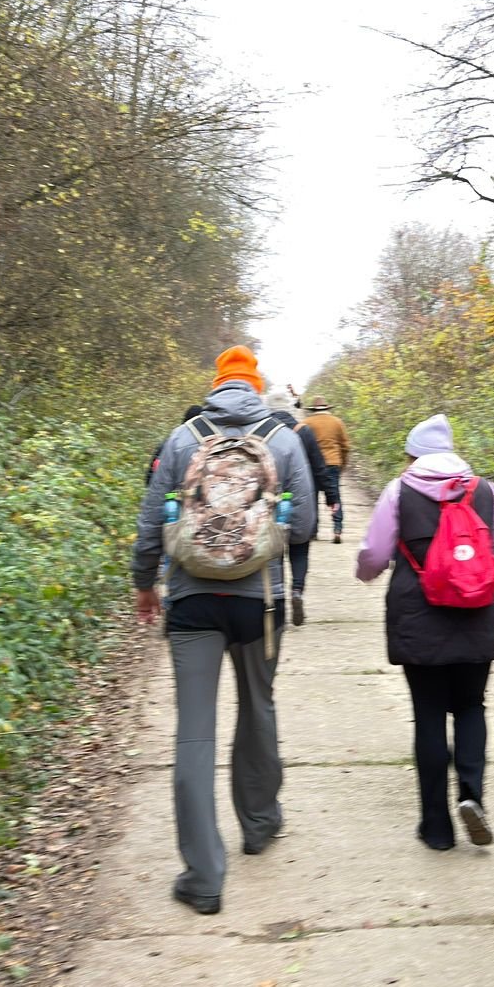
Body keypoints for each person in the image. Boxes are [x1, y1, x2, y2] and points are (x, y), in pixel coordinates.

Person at [133, 346, 316, 915]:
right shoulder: (282, 439)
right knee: (257, 707)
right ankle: (259, 823)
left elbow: (150, 520)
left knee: (195, 732)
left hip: (192, 601)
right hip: (260, 602)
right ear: (255, 387)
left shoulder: (183, 437)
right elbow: (303, 525)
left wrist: (144, 582)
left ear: (215, 385)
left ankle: (204, 877)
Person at [356, 413, 494, 851]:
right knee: (471, 706)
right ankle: (472, 796)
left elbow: (374, 554)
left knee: (429, 713)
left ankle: (436, 828)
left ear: (412, 455)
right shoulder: (486, 491)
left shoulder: (399, 491)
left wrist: (366, 573)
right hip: (476, 611)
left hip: (418, 617)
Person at [266, 383, 329, 629]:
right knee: (300, 548)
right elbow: (319, 466)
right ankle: (297, 591)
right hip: (302, 496)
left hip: (270, 501)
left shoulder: (261, 433)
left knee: (274, 551)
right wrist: (331, 496)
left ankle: (278, 597)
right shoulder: (303, 431)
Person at [303, 396, 351, 542]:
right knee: (334, 495)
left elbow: (301, 445)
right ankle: (337, 528)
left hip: (313, 464)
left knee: (313, 497)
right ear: (327, 408)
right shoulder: (337, 422)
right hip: (333, 463)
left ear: (313, 409)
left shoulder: (307, 423)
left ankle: (313, 531)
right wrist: (342, 464)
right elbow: (345, 447)